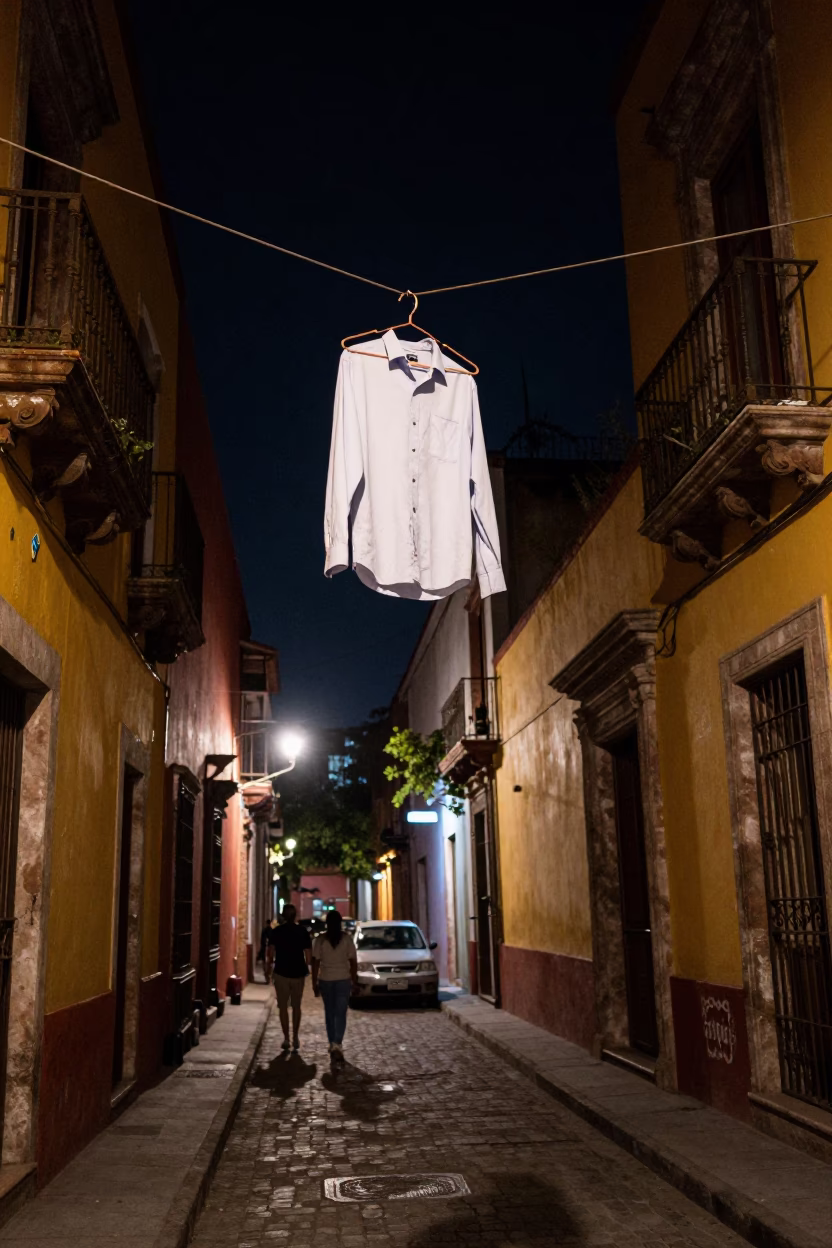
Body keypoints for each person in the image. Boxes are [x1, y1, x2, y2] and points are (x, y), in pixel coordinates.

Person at [311, 910, 358, 1061]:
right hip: (343, 979)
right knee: (341, 1012)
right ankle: (337, 1042)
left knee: (330, 1013)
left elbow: (316, 963)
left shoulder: (320, 940)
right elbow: (353, 961)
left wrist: (314, 983)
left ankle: (333, 1042)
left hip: (326, 980)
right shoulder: (346, 939)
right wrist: (354, 980)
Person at [268, 905, 312, 1050]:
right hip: (298, 973)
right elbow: (308, 954)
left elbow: (270, 953)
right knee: (296, 1006)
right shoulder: (302, 931)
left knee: (282, 1007)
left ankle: (286, 1038)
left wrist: (270, 967)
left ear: (283, 916)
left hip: (281, 972)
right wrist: (307, 967)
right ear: (295, 916)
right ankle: (295, 1037)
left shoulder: (276, 932)